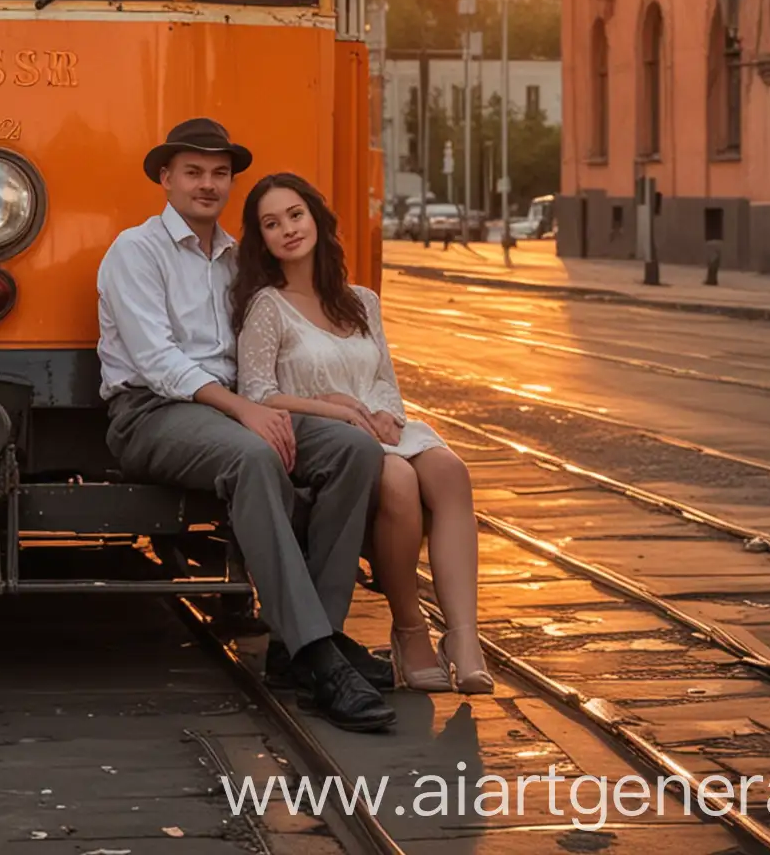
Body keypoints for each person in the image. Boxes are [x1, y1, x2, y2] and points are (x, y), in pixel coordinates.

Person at [98, 119, 397, 733]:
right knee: (253, 457)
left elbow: (272, 354)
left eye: (219, 173)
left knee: (352, 450)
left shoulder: (239, 260)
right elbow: (157, 362)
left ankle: (309, 641)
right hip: (152, 414)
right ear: (166, 178)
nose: (208, 185)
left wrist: (325, 404)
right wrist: (244, 410)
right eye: (193, 172)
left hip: (236, 410)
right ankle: (319, 658)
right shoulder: (136, 251)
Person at [234, 172, 494, 694]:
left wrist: (388, 418)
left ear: (316, 219)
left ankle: (464, 638)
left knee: (449, 471)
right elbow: (257, 393)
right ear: (261, 241)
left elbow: (385, 381)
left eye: (295, 215)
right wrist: (330, 407)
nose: (287, 229)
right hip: (325, 437)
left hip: (380, 426)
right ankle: (410, 629)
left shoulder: (361, 302)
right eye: (271, 223)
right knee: (397, 480)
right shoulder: (268, 307)